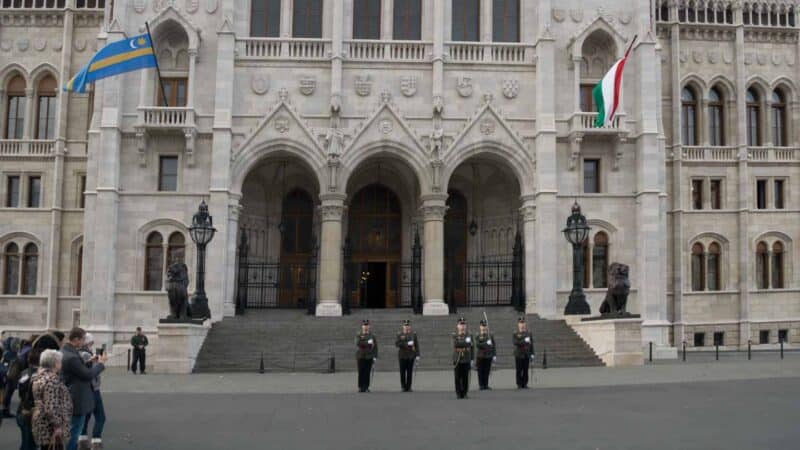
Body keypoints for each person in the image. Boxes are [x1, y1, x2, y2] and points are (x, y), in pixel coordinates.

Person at [61, 328, 107, 450]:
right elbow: (87, 375)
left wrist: (89, 362)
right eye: (82, 339)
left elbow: (78, 370)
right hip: (77, 397)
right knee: (74, 433)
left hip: (75, 394)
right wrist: (101, 364)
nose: (83, 342)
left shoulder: (69, 352)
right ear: (76, 339)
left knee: (76, 430)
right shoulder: (71, 356)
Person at [32, 349, 72, 450]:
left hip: (42, 422)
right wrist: (57, 426)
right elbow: (51, 406)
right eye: (59, 361)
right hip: (50, 427)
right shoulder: (52, 380)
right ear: (55, 363)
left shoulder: (39, 376)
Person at [77, 334, 106, 450]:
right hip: (93, 389)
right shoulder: (85, 354)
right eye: (91, 342)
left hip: (85, 389)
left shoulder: (79, 353)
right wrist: (101, 363)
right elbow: (92, 373)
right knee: (100, 417)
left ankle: (82, 441)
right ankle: (96, 441)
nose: (92, 345)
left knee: (87, 415)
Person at [17, 346, 43, 450]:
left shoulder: (24, 373)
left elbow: (21, 393)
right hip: (32, 412)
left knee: (26, 442)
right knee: (30, 444)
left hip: (23, 410)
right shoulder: (39, 376)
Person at [394, 320, 420, 392]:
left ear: (410, 327)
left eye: (408, 326)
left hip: (411, 356)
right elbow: (397, 344)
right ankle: (403, 386)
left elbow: (416, 345)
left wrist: (417, 355)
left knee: (409, 372)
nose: (407, 327)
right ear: (403, 326)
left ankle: (409, 387)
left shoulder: (413, 334)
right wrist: (407, 344)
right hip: (402, 356)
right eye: (405, 326)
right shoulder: (400, 334)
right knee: (402, 372)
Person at [452, 317, 474, 399]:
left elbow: (472, 347)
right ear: (457, 326)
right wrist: (465, 344)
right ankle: (458, 393)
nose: (462, 326)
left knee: (465, 377)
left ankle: (464, 393)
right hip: (457, 359)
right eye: (461, 324)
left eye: (464, 324)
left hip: (466, 359)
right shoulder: (454, 335)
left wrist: (472, 359)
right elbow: (455, 345)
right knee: (457, 377)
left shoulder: (469, 335)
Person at [355, 320, 378, 393]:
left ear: (369, 326)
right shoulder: (359, 335)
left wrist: (375, 356)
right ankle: (361, 387)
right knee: (361, 371)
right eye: (364, 326)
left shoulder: (372, 336)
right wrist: (367, 342)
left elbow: (376, 347)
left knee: (367, 372)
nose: (366, 327)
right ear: (362, 326)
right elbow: (358, 343)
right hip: (361, 356)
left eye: (367, 326)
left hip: (369, 356)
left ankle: (366, 387)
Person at [512, 316, 535, 389]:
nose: (522, 324)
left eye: (523, 323)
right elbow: (516, 342)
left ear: (525, 324)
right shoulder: (515, 333)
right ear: (518, 324)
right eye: (520, 323)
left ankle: (524, 383)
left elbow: (531, 344)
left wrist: (532, 353)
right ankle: (519, 383)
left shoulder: (529, 333)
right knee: (519, 369)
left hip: (526, 354)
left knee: (525, 369)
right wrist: (524, 341)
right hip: (519, 354)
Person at [475, 319, 496, 390]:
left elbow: (494, 346)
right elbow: (478, 344)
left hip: (488, 355)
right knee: (480, 371)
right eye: (482, 326)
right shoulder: (478, 335)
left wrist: (494, 355)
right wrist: (486, 343)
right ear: (480, 327)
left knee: (487, 371)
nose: (483, 327)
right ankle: (481, 385)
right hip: (480, 356)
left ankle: (486, 384)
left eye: (485, 325)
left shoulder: (490, 335)